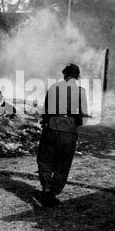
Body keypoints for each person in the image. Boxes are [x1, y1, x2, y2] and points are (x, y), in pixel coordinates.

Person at [37, 63, 88, 207]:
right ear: (77, 76)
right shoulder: (80, 91)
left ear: (64, 74)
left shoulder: (53, 87)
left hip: (51, 128)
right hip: (68, 131)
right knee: (63, 164)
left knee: (45, 160)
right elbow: (83, 117)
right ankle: (53, 193)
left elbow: (46, 110)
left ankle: (46, 189)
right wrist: (72, 124)